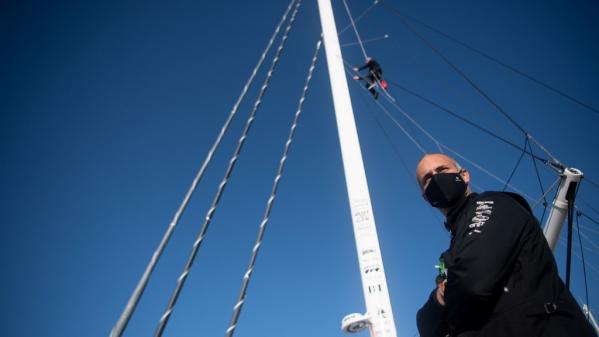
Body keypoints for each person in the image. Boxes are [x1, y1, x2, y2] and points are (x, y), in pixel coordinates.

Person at [414, 153, 596, 337]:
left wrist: (445, 295)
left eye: (442, 170)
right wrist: (443, 297)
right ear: (425, 197)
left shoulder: (493, 204)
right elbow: (426, 326)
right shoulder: (450, 254)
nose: (436, 178)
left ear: (464, 175)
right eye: (427, 178)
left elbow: (473, 280)